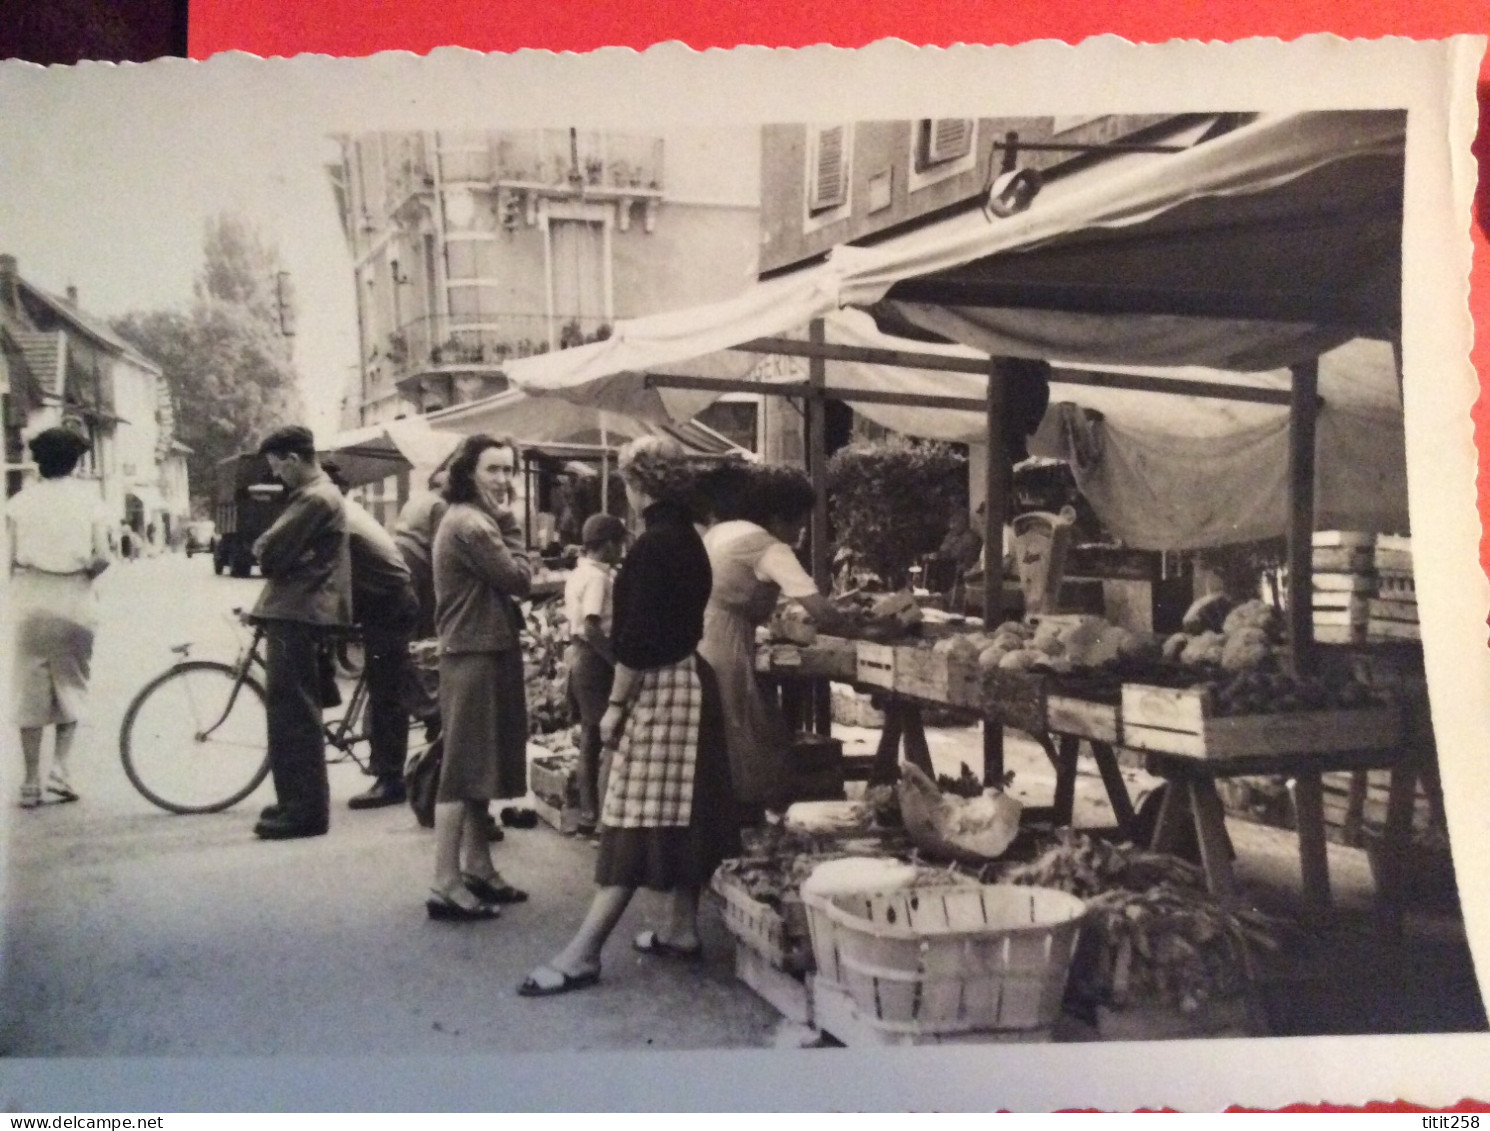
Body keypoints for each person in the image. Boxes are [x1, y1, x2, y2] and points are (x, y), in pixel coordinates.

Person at [519, 435, 737, 997]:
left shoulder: (649, 547)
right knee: (681, 813)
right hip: (691, 682)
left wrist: (615, 706)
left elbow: (635, 642)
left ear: (637, 485)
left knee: (632, 821)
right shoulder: (689, 539)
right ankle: (681, 930)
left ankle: (583, 953)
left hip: (661, 691)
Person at [698, 463, 850, 818]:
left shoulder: (723, 531)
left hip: (703, 633)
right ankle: (749, 814)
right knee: (746, 732)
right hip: (727, 642)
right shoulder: (768, 547)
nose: (799, 532)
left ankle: (725, 818)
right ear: (780, 517)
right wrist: (859, 625)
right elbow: (818, 608)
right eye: (798, 522)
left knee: (722, 730)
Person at [427, 434, 532, 920]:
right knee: (461, 771)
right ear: (469, 472)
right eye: (493, 469)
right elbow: (518, 579)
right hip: (475, 653)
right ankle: (445, 882)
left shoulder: (468, 519)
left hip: (479, 648)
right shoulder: (475, 524)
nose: (503, 479)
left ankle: (478, 867)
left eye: (509, 470)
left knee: (476, 766)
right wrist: (511, 525)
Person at [250, 425, 352, 841]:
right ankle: (296, 803)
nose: (276, 475)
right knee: (294, 713)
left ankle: (305, 812)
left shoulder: (313, 498)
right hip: (302, 610)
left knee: (293, 716)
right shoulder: (323, 495)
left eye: (277, 467)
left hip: (297, 611)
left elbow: (269, 553)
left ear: (292, 459)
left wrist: (268, 549)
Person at [7, 427, 113, 809]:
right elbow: (102, 556)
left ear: (38, 461)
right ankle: (60, 773)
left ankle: (30, 782)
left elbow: (10, 558)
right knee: (72, 685)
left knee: (29, 689)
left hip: (31, 598)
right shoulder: (91, 502)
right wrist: (82, 570)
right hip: (74, 599)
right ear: (78, 461)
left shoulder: (19, 503)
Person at [323, 465, 421, 811]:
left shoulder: (339, 516)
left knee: (387, 693)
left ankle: (391, 780)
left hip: (390, 604)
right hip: (384, 602)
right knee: (383, 688)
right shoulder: (345, 510)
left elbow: (338, 575)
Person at [563, 512, 628, 835]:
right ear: (606, 545)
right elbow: (592, 626)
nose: (622, 549)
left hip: (580, 657)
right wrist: (616, 662)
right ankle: (601, 816)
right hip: (594, 660)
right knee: (605, 735)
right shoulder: (599, 578)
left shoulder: (581, 572)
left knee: (590, 736)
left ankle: (589, 812)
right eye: (619, 543)